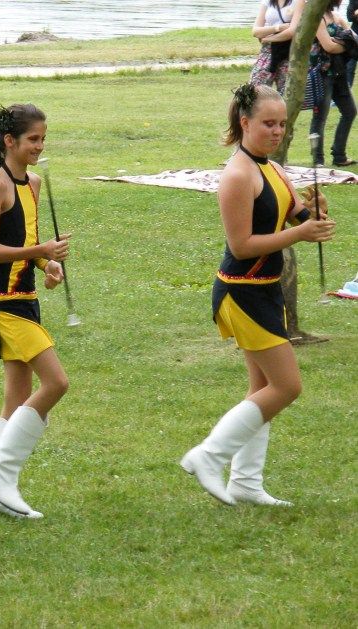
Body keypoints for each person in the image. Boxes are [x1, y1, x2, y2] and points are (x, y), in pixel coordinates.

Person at [180, 84, 335, 507]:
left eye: (282, 124)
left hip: (266, 292)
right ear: (245, 123)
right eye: (268, 123)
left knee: (262, 388)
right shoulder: (237, 175)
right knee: (286, 387)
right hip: (241, 293)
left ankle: (245, 483)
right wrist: (300, 234)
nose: (277, 131)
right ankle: (208, 455)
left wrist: (317, 213)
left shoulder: (275, 169)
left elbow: (301, 217)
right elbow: (242, 245)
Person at [0, 104, 70, 519]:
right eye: (33, 139)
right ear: (9, 141)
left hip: (26, 298)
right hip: (4, 304)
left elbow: (24, 240)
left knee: (15, 400)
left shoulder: (34, 182)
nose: (40, 146)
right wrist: (41, 249)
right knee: (57, 383)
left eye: (43, 139)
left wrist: (46, 264)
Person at [309, 0, 356, 167]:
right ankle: (318, 161)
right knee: (320, 117)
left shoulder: (336, 16)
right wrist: (346, 44)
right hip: (322, 74)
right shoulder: (317, 18)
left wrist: (343, 43)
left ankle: (339, 155)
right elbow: (328, 46)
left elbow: (353, 38)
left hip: (339, 72)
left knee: (350, 111)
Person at [250, 0, 306, 93]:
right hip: (268, 51)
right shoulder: (267, 2)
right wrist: (278, 27)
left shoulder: (298, 1)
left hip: (289, 52)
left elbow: (292, 31)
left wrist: (267, 39)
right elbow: (255, 31)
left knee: (286, 91)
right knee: (256, 88)